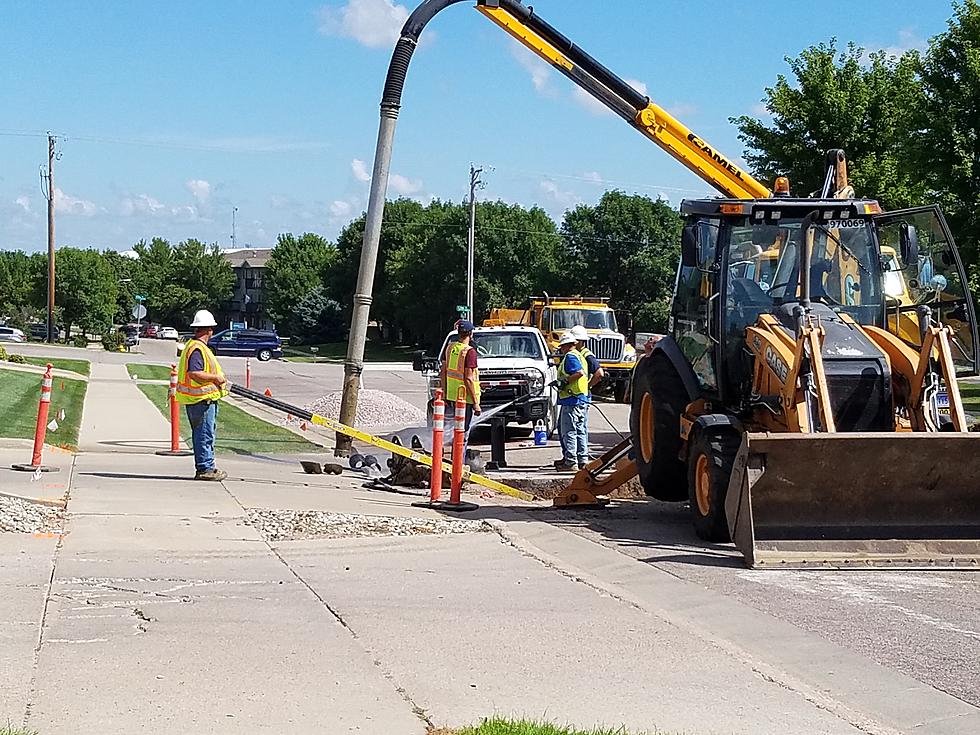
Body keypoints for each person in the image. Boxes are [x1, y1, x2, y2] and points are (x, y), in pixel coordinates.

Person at [175, 309, 230, 481]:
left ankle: (205, 467)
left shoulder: (193, 346)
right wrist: (216, 378)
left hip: (198, 400)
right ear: (208, 330)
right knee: (204, 434)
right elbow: (195, 373)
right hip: (201, 400)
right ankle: (205, 468)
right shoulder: (198, 348)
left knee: (203, 434)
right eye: (211, 329)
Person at [553, 332, 589, 471]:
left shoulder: (570, 356)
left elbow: (579, 373)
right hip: (580, 398)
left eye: (562, 346)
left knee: (569, 431)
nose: (561, 349)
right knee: (579, 430)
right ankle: (582, 461)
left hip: (571, 399)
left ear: (566, 346)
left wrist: (564, 382)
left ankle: (570, 461)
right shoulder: (580, 355)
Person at [440, 319, 482, 428]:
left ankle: (455, 445)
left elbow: (443, 372)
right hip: (466, 397)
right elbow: (468, 379)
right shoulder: (470, 352)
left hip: (453, 396)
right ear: (470, 334)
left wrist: (445, 394)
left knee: (457, 427)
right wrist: (475, 403)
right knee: (463, 429)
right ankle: (460, 445)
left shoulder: (449, 348)